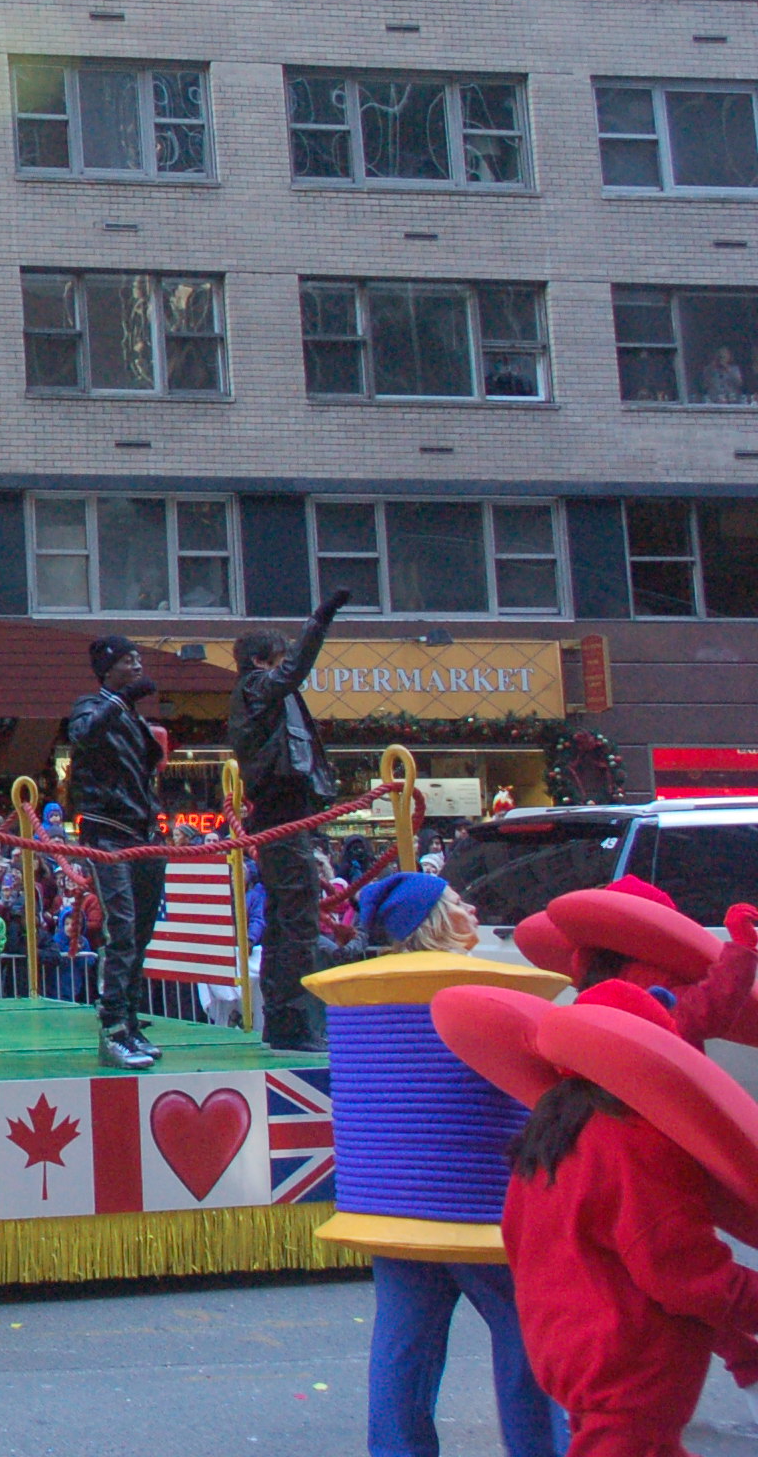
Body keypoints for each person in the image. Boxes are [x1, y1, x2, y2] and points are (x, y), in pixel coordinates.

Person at [351, 873, 564, 1457]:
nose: (470, 907)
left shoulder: (368, 999)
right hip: (478, 1203)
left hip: (393, 1205)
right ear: (436, 920)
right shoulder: (485, 991)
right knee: (528, 1332)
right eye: (456, 901)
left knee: (404, 1346)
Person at [502, 983, 758, 1457]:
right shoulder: (637, 1140)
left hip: (570, 1351)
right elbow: (686, 1275)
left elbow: (520, 1242)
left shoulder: (550, 1134)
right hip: (632, 1366)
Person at [232, 586, 353, 1049]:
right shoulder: (256, 688)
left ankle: (285, 1020)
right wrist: (318, 623)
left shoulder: (261, 694)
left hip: (284, 813)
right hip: (280, 814)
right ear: (263, 660)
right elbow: (291, 673)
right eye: (279, 659)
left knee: (287, 919)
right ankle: (294, 1022)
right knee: (296, 921)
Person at [66, 636, 168, 1069]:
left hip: (144, 833)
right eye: (129, 660)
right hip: (108, 834)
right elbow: (82, 735)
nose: (138, 665)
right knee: (122, 928)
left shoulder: (132, 716)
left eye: (139, 658)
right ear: (108, 669)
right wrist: (121, 698)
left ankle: (129, 1019)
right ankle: (113, 1029)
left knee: (141, 931)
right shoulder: (91, 706)